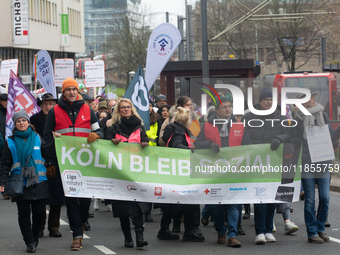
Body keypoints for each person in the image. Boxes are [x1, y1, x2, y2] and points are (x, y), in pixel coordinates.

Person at [43, 77, 103, 250]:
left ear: (78, 91)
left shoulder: (87, 109)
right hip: (65, 164)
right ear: (63, 92)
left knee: (84, 201)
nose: (71, 92)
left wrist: (97, 134)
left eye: (74, 89)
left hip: (86, 162)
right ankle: (77, 235)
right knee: (70, 200)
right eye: (68, 89)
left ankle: (81, 222)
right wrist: (50, 161)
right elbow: (47, 138)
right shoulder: (54, 111)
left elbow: (97, 128)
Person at [194, 96, 252, 247]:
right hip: (215, 171)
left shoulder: (239, 125)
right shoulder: (207, 126)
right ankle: (221, 231)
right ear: (217, 110)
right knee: (218, 205)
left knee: (234, 203)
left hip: (235, 170)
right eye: (224, 107)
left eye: (229, 106)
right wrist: (209, 144)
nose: (228, 109)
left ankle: (232, 235)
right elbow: (197, 143)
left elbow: (248, 146)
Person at [242, 88, 291, 244]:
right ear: (260, 101)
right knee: (259, 196)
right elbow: (243, 135)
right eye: (266, 100)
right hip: (257, 161)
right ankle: (260, 232)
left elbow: (289, 133)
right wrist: (252, 148)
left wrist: (279, 138)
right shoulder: (249, 116)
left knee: (271, 196)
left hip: (274, 161)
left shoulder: (280, 116)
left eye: (271, 99)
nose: (269, 102)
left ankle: (269, 230)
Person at [0, 109, 50, 253]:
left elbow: (48, 153)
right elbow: (5, 164)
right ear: (15, 124)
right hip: (19, 183)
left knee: (40, 212)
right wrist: (2, 182)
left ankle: (34, 237)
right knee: (23, 214)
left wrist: (55, 141)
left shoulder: (37, 137)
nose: (22, 123)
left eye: (24, 120)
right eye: (18, 121)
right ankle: (29, 241)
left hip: (39, 181)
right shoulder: (10, 141)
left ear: (28, 122)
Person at [105, 98, 149, 248]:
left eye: (128, 107)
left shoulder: (140, 127)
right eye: (123, 107)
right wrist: (112, 142)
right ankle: (127, 238)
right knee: (123, 207)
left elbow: (146, 143)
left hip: (136, 172)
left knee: (138, 206)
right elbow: (104, 148)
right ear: (118, 110)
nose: (126, 109)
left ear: (132, 109)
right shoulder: (112, 128)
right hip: (119, 172)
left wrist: (145, 144)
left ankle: (139, 237)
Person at [295, 88, 334, 244]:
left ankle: (320, 228)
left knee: (325, 197)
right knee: (310, 198)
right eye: (310, 97)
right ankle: (312, 232)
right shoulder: (297, 118)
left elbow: (330, 136)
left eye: (313, 97)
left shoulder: (322, 115)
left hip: (323, 161)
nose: (313, 99)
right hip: (306, 162)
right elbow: (294, 138)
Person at [162, 106, 205, 242]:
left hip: (175, 170)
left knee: (174, 202)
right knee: (188, 201)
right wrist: (191, 150)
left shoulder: (175, 129)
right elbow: (177, 146)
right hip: (180, 171)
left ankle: (164, 230)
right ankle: (189, 231)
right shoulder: (179, 132)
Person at [30, 93, 63, 238]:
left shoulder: (59, 119)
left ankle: (54, 226)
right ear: (41, 105)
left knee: (56, 195)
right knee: (40, 196)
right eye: (45, 104)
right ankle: (39, 226)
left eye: (50, 104)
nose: (48, 107)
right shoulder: (33, 120)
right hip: (38, 161)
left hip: (56, 160)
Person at [0, 93, 8, 199]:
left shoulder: (11, 112)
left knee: (7, 167)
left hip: (9, 145)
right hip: (1, 145)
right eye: (4, 100)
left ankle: (6, 190)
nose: (6, 103)